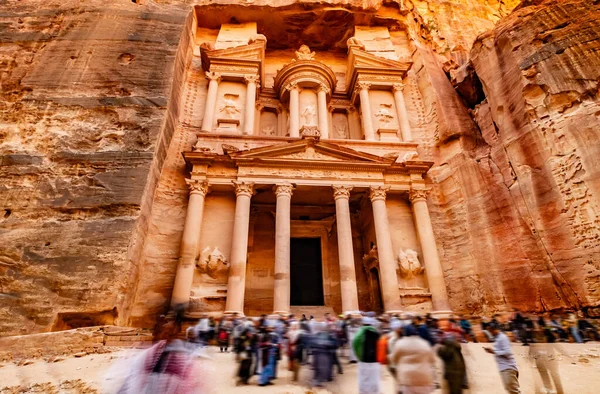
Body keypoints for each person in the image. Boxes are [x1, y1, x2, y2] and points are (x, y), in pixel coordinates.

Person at [391, 325, 436, 394]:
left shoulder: (400, 344)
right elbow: (433, 360)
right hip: (425, 378)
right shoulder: (424, 343)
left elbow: (393, 359)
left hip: (407, 380)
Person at [484, 322, 521, 393]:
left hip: (508, 368)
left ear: (494, 329)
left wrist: (494, 351)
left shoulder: (502, 337)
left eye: (490, 330)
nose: (490, 332)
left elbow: (508, 352)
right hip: (504, 369)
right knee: (511, 391)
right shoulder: (498, 338)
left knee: (513, 391)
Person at [352, 316, 381, 394]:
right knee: (374, 377)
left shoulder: (359, 333)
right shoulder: (377, 333)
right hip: (375, 360)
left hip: (363, 360)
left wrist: (359, 356)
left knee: (363, 377)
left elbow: (355, 344)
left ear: (363, 323)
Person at [311, 322, 336, 387]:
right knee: (319, 368)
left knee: (323, 368)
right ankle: (317, 382)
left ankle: (318, 381)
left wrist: (327, 343)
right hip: (318, 353)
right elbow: (312, 343)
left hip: (324, 353)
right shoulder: (317, 334)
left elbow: (334, 343)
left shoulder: (328, 334)